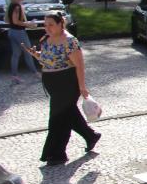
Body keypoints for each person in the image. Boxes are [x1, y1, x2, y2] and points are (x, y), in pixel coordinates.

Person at [21, 12, 100, 166]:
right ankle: (91, 136)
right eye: (45, 24)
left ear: (60, 24)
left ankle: (56, 154)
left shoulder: (70, 41)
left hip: (67, 83)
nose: (47, 27)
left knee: (57, 118)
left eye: (51, 24)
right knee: (68, 114)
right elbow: (48, 59)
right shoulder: (46, 39)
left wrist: (82, 87)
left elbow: (79, 65)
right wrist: (36, 55)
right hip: (52, 84)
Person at [5, 0, 39, 84]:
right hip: (19, 33)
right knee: (28, 52)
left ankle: (14, 76)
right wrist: (28, 24)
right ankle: (36, 73)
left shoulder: (11, 5)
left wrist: (28, 23)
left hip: (12, 31)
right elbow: (16, 21)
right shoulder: (17, 7)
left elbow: (12, 21)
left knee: (16, 54)